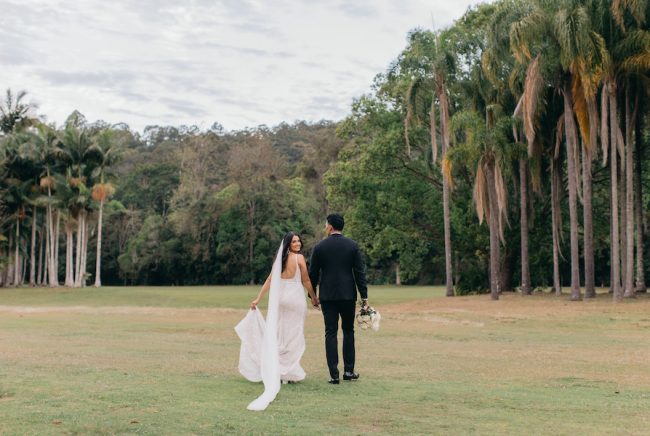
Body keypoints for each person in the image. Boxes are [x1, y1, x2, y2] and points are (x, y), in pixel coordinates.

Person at [235, 232, 318, 411]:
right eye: (294, 241)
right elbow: (305, 280)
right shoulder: (299, 258)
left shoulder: (279, 260)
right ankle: (286, 372)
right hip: (295, 299)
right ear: (288, 244)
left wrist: (258, 298)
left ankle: (281, 371)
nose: (298, 243)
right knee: (293, 336)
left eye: (298, 241)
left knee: (281, 335)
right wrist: (314, 297)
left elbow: (270, 280)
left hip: (280, 300)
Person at [309, 214, 368, 384]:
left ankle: (333, 374)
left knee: (330, 332)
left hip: (327, 295)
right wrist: (364, 297)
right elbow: (359, 273)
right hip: (348, 295)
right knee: (348, 331)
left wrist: (312, 295)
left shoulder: (319, 247)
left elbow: (313, 273)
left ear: (330, 227)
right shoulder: (352, 245)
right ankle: (349, 371)